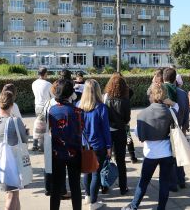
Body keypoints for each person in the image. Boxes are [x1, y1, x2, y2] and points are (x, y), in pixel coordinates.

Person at [122, 84, 175, 210]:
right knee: (164, 183)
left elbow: (140, 136)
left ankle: (134, 205)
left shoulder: (142, 114)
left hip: (151, 153)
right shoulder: (170, 112)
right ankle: (161, 208)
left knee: (144, 181)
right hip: (167, 152)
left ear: (151, 95)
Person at [46, 79, 83, 210]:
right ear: (70, 93)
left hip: (57, 152)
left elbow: (49, 130)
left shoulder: (51, 111)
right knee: (75, 186)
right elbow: (81, 131)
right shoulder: (78, 111)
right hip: (75, 152)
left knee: (56, 186)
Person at [0, 91, 28, 210]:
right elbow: (24, 140)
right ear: (12, 105)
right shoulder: (14, 121)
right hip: (11, 161)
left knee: (12, 193)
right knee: (12, 194)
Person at [78, 79, 112, 210]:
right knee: (96, 173)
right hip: (98, 145)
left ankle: (87, 196)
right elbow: (106, 130)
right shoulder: (101, 107)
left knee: (87, 171)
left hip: (83, 144)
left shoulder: (78, 106)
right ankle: (93, 202)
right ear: (97, 90)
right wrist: (109, 147)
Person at [103, 74, 131, 195]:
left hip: (107, 132)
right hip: (120, 131)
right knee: (121, 160)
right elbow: (127, 119)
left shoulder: (105, 97)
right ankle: (123, 187)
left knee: (105, 160)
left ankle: (104, 185)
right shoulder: (125, 100)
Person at [163, 68, 189, 191]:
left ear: (163, 78)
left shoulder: (161, 91)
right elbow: (187, 112)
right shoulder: (183, 93)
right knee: (179, 156)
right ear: (175, 79)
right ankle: (181, 180)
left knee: (169, 158)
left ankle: (173, 184)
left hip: (166, 129)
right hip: (179, 128)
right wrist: (185, 128)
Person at [31, 67, 53, 151]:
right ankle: (41, 146)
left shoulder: (34, 83)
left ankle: (35, 144)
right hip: (46, 106)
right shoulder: (48, 84)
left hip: (37, 106)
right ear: (45, 74)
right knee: (45, 127)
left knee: (37, 124)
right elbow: (53, 96)